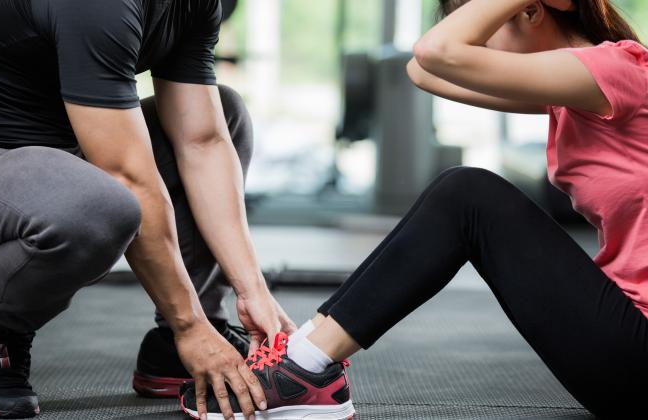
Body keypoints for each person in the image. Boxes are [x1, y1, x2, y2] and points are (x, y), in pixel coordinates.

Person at [181, 0, 648, 419]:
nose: (484, 51)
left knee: (469, 195)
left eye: (487, 34)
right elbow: (423, 69)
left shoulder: (615, 69)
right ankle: (304, 358)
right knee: (462, 191)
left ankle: (305, 368)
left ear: (531, 10)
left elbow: (435, 54)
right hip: (623, 344)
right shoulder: (572, 91)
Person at [0, 0, 296, 418]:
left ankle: (184, 343)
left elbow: (202, 143)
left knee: (225, 115)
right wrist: (187, 325)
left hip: (70, 161)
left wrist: (254, 291)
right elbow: (125, 176)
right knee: (101, 204)